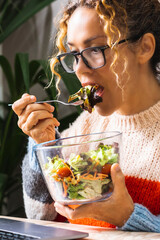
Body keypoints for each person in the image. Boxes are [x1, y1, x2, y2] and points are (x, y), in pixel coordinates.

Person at [12, 0, 160, 232]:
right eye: (74, 54)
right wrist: (44, 144)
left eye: (95, 50)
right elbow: (42, 220)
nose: (80, 68)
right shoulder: (85, 126)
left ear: (144, 48)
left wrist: (126, 215)